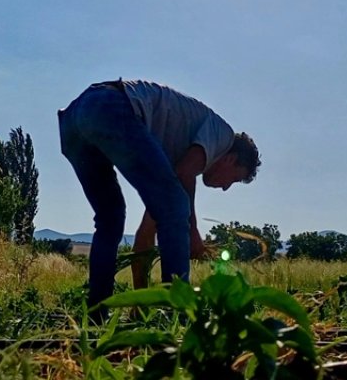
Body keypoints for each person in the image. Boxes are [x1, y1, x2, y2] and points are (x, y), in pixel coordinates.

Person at [58, 78, 260, 310]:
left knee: (111, 218)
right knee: (175, 207)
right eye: (233, 179)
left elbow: (144, 238)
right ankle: (175, 312)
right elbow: (185, 176)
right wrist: (192, 232)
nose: (225, 188)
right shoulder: (223, 135)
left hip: (76, 119)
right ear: (231, 159)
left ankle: (96, 314)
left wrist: (140, 304)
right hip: (112, 106)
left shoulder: (175, 158)